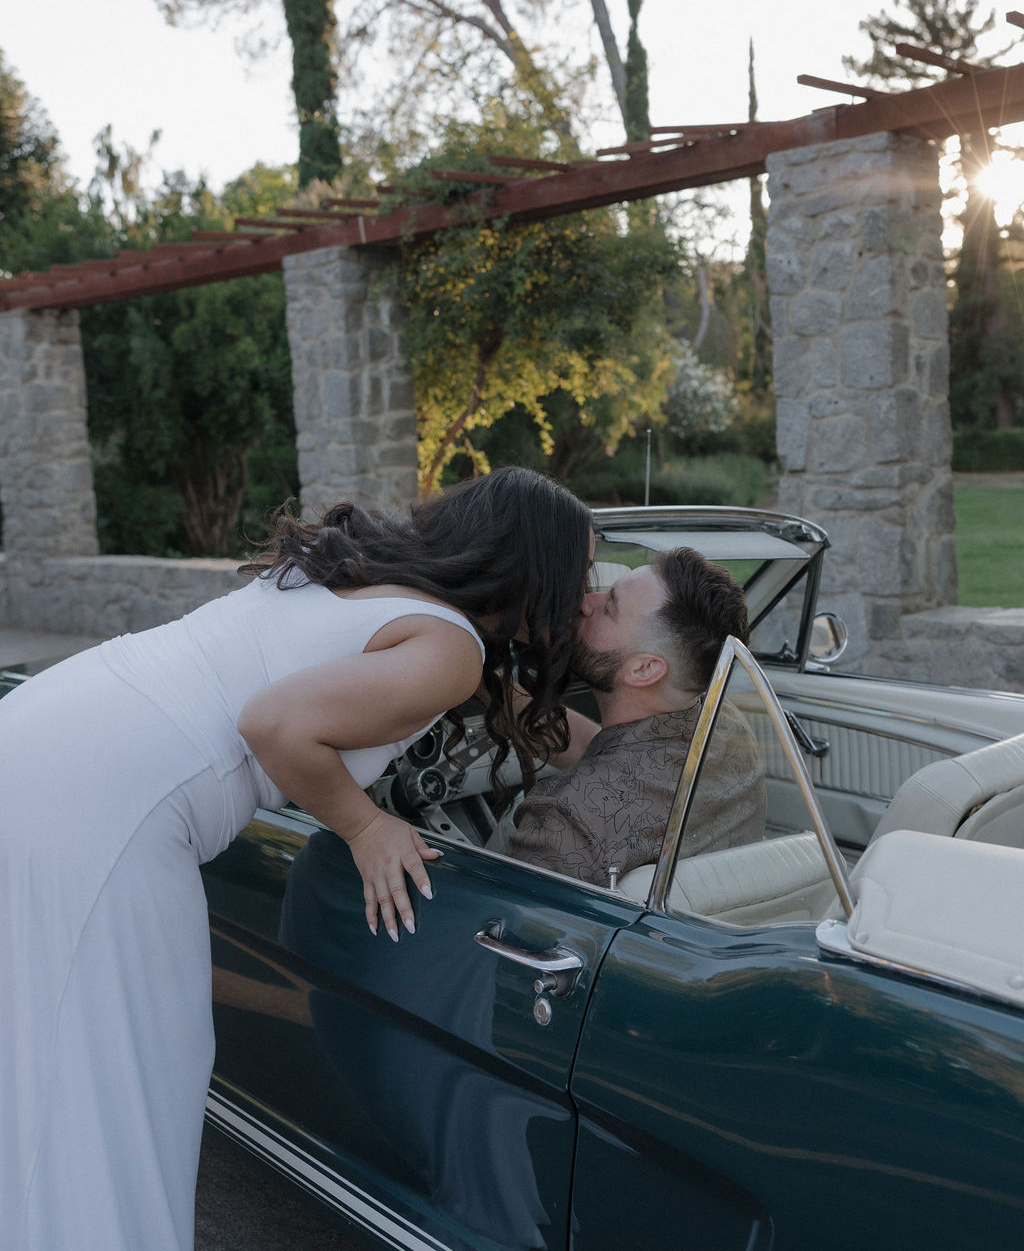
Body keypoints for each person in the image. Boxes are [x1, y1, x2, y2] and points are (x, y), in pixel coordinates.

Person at [0, 466, 593, 1251]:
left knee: (49, 1060)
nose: (585, 598)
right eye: (580, 575)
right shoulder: (448, 646)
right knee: (135, 1077)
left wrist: (653, 746)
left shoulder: (368, 575)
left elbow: (519, 716)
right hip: (110, 803)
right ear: (535, 571)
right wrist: (364, 827)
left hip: (45, 734)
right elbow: (275, 723)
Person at [507, 546, 765, 887]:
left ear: (644, 669)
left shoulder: (567, 820)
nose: (585, 601)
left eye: (609, 607)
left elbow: (502, 927)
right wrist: (482, 685)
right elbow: (604, 751)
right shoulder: (725, 726)